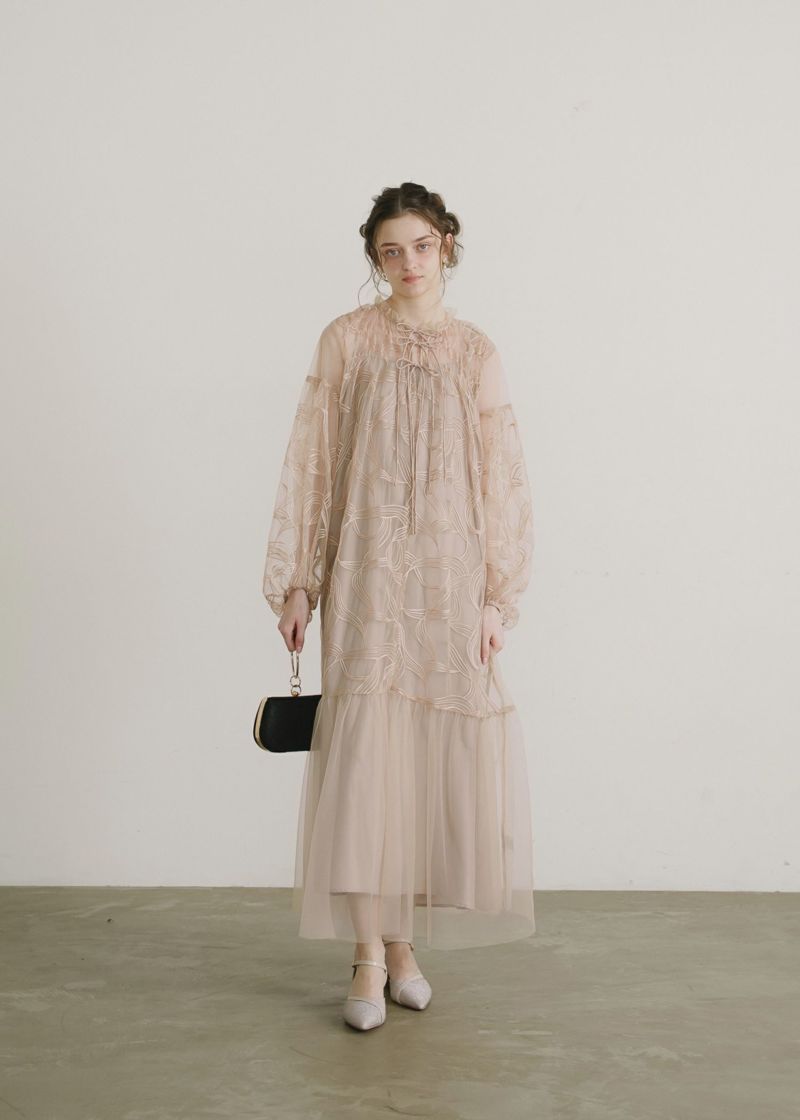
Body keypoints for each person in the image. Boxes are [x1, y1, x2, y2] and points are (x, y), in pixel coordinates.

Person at [261, 182, 536, 1030]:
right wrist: (300, 579)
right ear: (374, 259)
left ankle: (404, 945)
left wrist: (496, 598)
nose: (408, 263)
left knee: (422, 764)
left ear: (446, 242)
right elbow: (313, 460)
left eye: (421, 245)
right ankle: (367, 954)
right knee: (366, 765)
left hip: (449, 583)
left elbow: (503, 478)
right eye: (390, 251)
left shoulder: (477, 352)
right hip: (369, 578)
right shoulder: (347, 340)